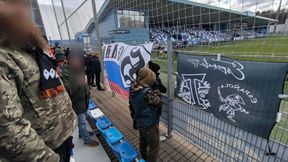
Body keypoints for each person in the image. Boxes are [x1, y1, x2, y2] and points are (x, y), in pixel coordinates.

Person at [0, 0, 77, 162]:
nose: (24, 10)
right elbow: (8, 130)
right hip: (45, 150)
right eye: (14, 3)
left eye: (25, 4)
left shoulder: (28, 45)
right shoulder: (4, 57)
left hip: (62, 136)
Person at [62, 48, 99, 147]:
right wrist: (79, 83)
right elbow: (68, 88)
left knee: (84, 119)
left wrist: (88, 93)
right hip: (76, 103)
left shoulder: (79, 69)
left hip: (84, 101)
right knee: (82, 122)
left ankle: (82, 133)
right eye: (74, 60)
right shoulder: (66, 72)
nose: (77, 62)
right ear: (69, 61)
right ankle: (87, 140)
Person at [129, 67, 163, 162]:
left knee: (143, 141)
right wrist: (156, 91)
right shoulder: (147, 92)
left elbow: (131, 105)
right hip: (150, 123)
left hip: (140, 121)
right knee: (154, 146)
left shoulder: (133, 87)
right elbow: (159, 102)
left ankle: (143, 158)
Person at [148, 61, 167, 142]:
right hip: (155, 103)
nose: (159, 71)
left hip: (149, 103)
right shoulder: (156, 78)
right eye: (158, 70)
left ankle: (150, 135)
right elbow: (163, 89)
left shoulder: (146, 77)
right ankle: (156, 137)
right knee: (155, 120)